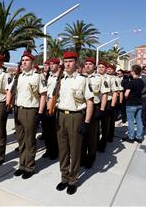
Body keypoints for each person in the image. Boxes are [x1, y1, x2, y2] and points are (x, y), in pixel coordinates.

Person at [51, 51, 94, 195]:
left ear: (76, 63)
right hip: (61, 115)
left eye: (70, 61)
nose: (68, 64)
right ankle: (64, 177)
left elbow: (89, 101)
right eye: (66, 61)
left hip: (76, 117)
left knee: (75, 150)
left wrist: (86, 122)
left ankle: (73, 180)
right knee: (63, 150)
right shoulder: (61, 80)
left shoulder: (83, 80)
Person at [11, 51, 47, 179]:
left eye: (27, 60)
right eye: (23, 60)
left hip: (31, 110)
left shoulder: (38, 77)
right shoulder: (19, 76)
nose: (24, 62)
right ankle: (22, 165)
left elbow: (43, 95)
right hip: (18, 110)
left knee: (30, 140)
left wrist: (40, 113)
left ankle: (29, 167)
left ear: (32, 63)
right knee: (20, 140)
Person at [82, 57, 109, 169]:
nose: (88, 66)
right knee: (81, 135)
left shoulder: (100, 78)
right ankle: (82, 157)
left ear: (94, 66)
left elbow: (105, 94)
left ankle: (91, 157)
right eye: (86, 64)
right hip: (82, 108)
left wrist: (102, 110)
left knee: (92, 135)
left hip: (95, 108)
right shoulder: (80, 77)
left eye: (90, 64)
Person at [42, 57, 60, 160]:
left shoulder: (61, 78)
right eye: (50, 64)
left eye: (53, 64)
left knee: (54, 131)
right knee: (46, 130)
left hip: (55, 106)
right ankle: (48, 149)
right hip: (46, 105)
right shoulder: (48, 76)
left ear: (58, 65)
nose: (51, 65)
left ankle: (54, 151)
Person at [122, 65, 144, 143]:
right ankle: (139, 137)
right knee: (139, 120)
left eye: (131, 71)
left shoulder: (131, 82)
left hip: (131, 104)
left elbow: (126, 94)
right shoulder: (141, 81)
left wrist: (125, 98)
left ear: (133, 72)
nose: (130, 72)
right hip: (139, 103)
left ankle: (131, 137)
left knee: (131, 121)